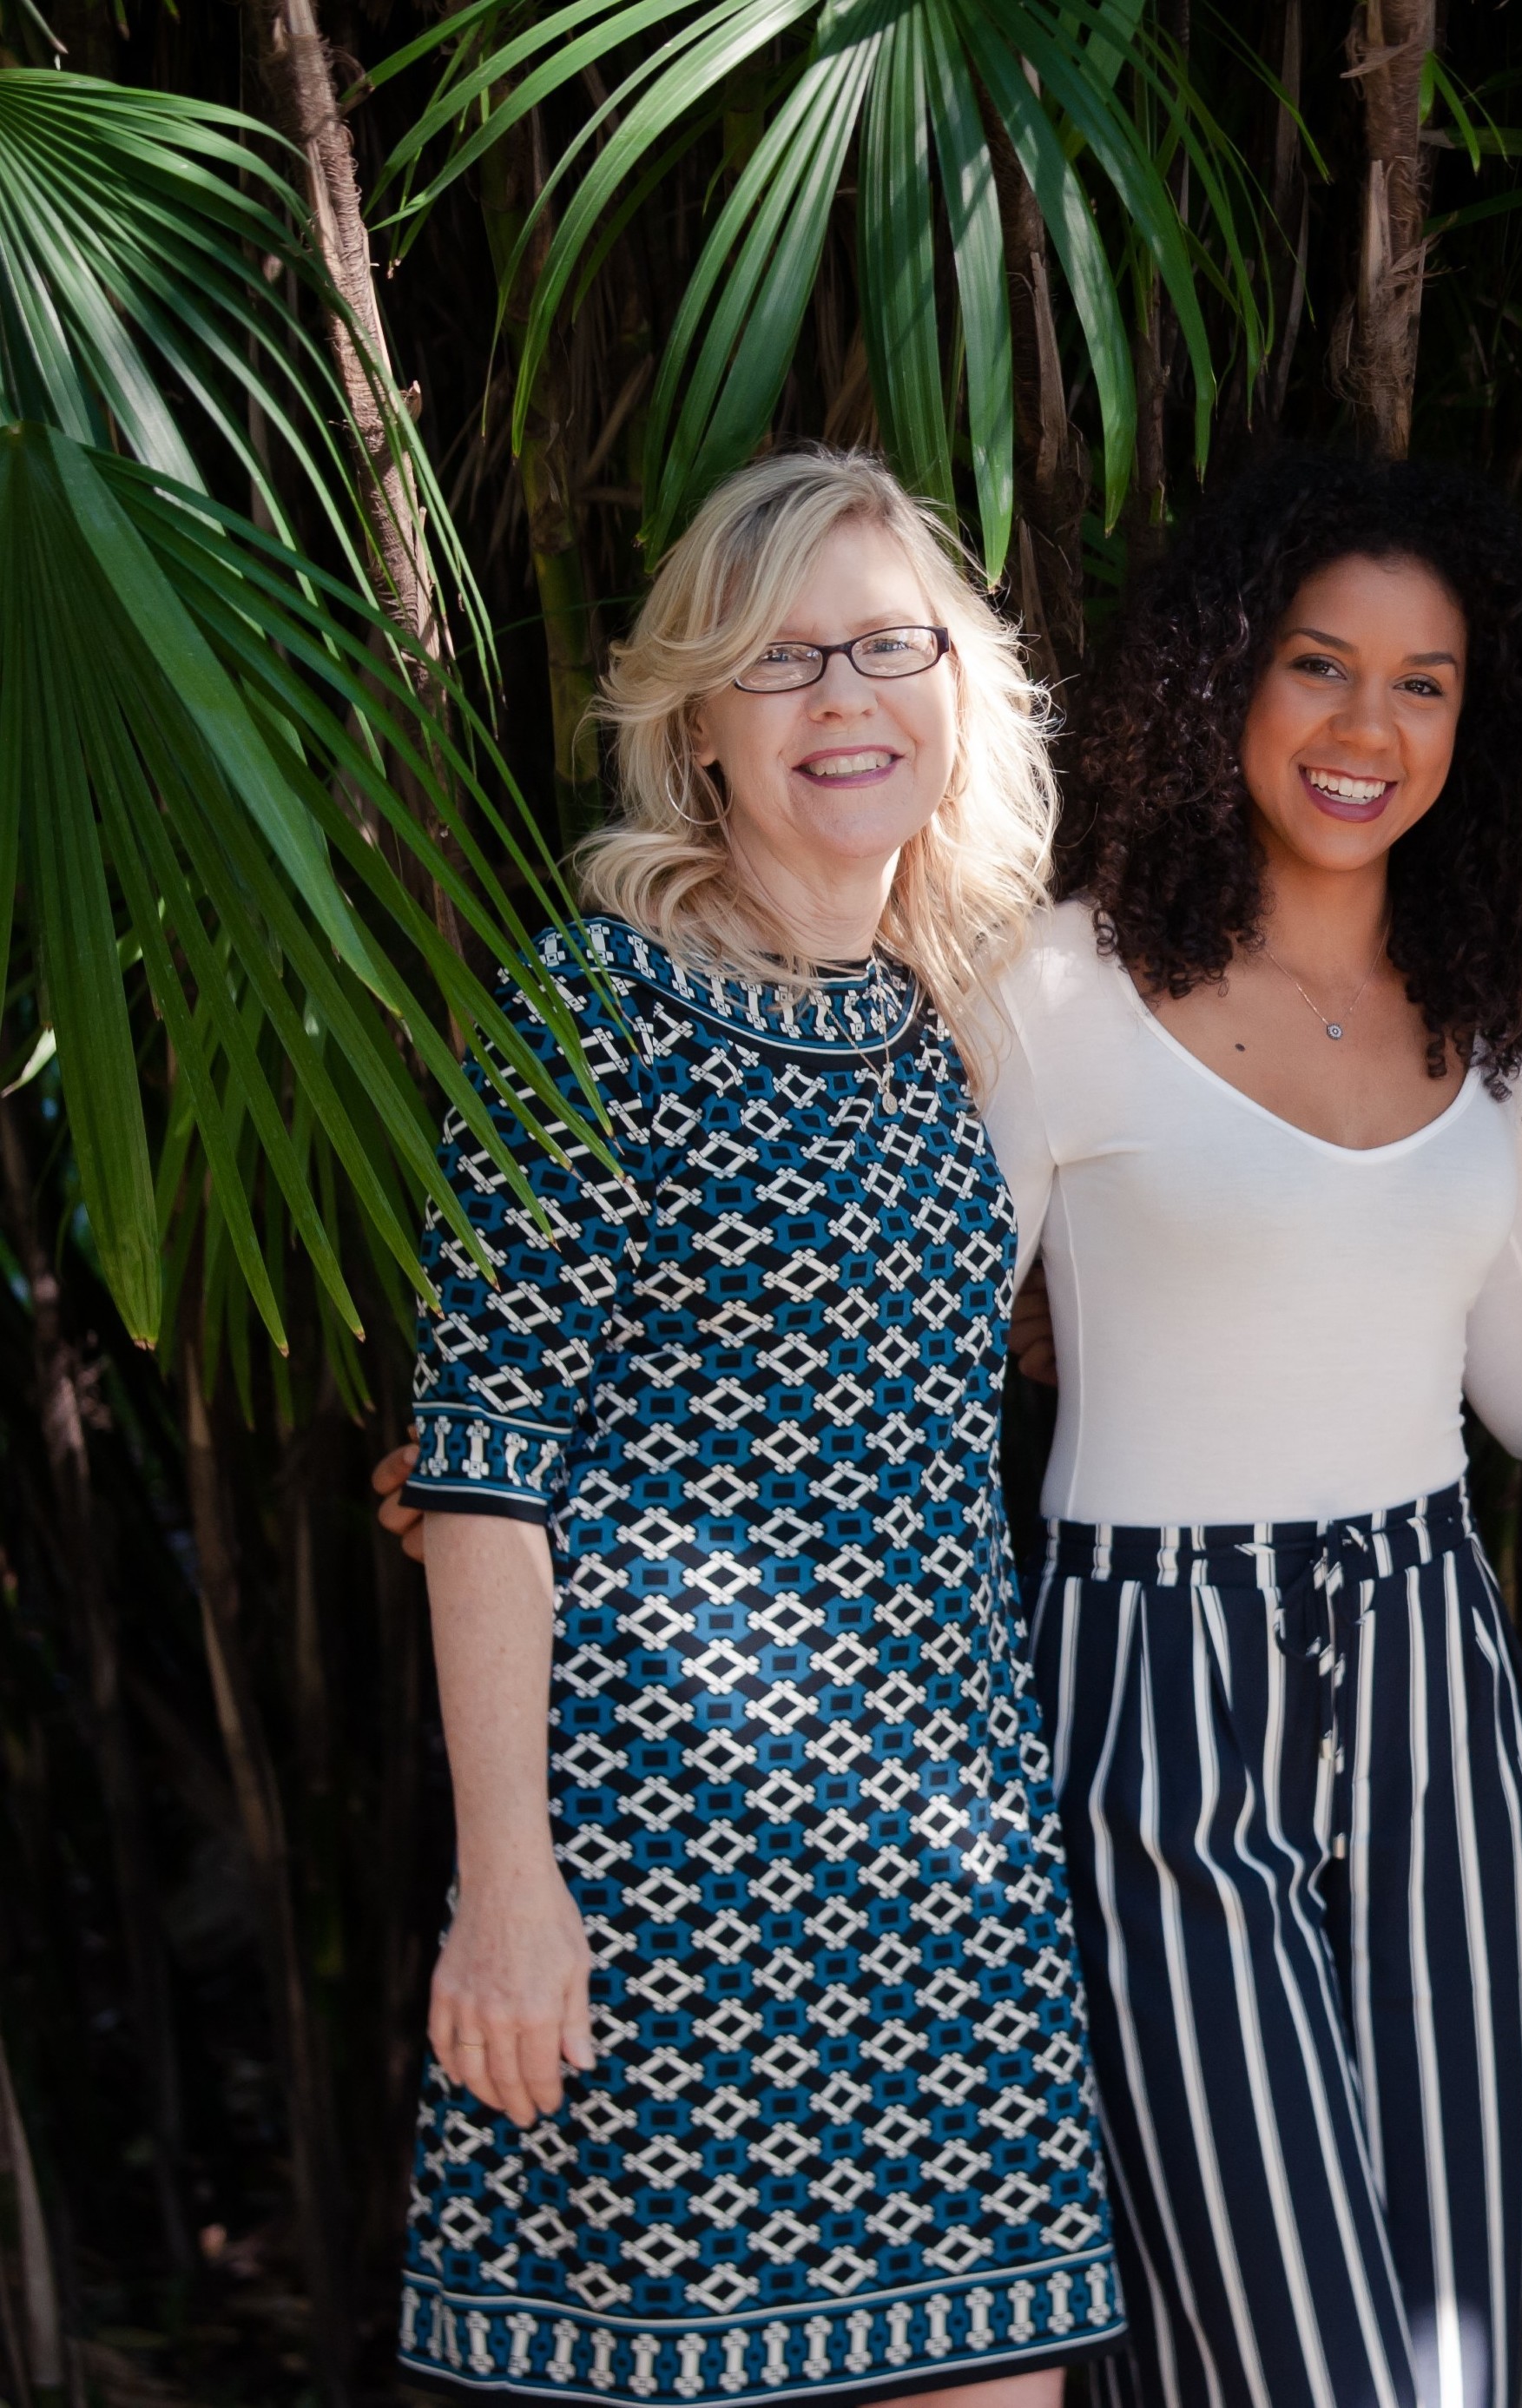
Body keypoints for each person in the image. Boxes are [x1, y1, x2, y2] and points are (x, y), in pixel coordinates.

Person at [380, 447, 1124, 2400]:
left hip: (952, 1853)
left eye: (888, 646)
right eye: (782, 661)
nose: (843, 701)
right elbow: (479, 1477)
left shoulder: (966, 1021)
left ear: (960, 692)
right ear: (697, 722)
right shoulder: (592, 1007)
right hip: (672, 1869)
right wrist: (508, 1887)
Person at [978, 448, 1522, 2408]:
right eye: (1317, 666)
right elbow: (915, 1366)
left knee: (1453, 2338)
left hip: (1435, 1675)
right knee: (1292, 2347)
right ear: (1221, 684)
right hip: (1152, 1681)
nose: (1366, 728)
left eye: (1421, 683)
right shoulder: (1059, 987)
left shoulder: (1491, 1005)